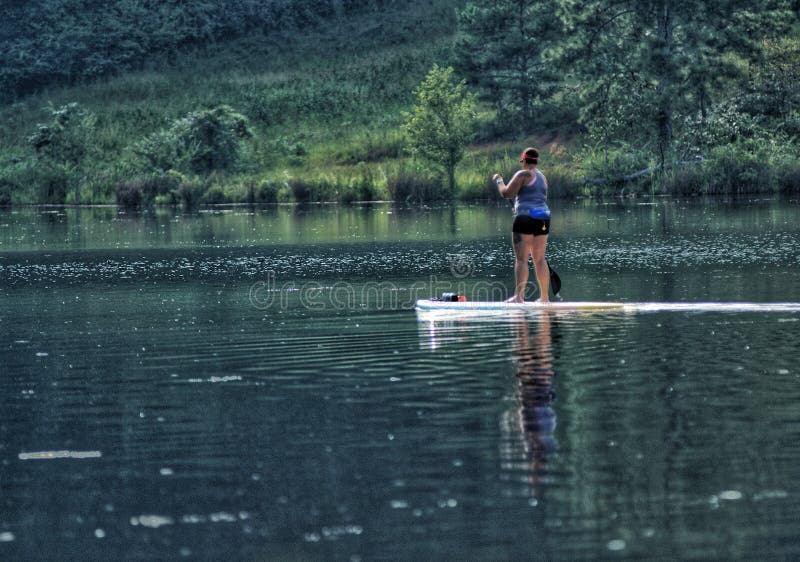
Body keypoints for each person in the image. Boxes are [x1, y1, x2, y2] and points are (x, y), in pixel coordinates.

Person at [493, 147, 551, 303]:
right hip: (543, 217)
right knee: (540, 259)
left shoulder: (523, 174)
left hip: (525, 217)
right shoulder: (542, 177)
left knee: (521, 260)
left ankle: (519, 297)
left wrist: (499, 181)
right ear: (536, 161)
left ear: (525, 161)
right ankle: (545, 298)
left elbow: (506, 193)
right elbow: (536, 197)